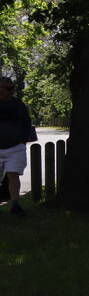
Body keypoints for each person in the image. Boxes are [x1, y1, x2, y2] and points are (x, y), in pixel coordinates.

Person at [0, 77, 34, 216]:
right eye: (8, 88)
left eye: (13, 88)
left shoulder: (18, 105)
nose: (12, 91)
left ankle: (15, 204)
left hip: (15, 147)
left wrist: (22, 141)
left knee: (13, 175)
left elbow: (27, 124)